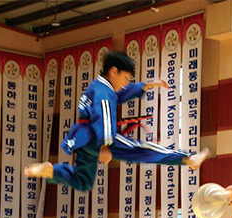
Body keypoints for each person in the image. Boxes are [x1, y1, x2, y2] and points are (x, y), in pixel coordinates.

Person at [24, 51, 209, 192]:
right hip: (97, 136)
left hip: (81, 138)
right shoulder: (104, 93)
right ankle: (188, 158)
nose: (126, 82)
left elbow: (120, 94)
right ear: (114, 71)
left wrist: (148, 84)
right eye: (126, 78)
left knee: (83, 181)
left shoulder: (98, 87)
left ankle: (52, 171)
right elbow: (104, 114)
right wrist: (106, 145)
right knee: (141, 149)